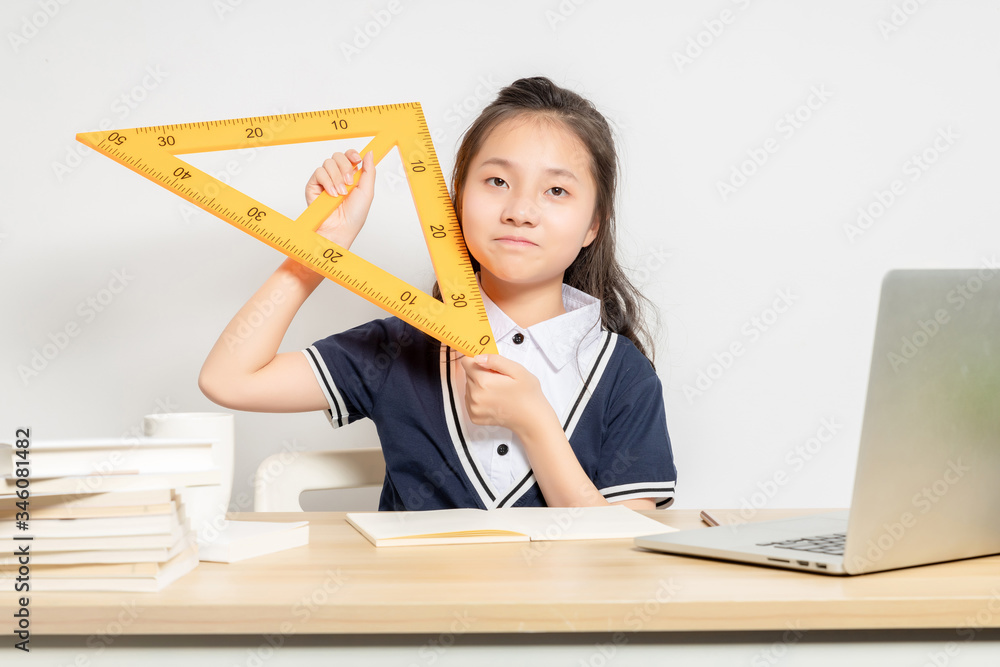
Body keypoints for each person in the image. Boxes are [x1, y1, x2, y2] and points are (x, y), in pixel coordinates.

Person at [199, 77, 676, 511]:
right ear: (455, 201)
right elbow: (230, 379)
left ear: (594, 223)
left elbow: (620, 553)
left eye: (556, 190)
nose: (520, 210)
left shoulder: (623, 375)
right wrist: (315, 251)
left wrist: (535, 423)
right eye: (497, 181)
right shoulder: (399, 348)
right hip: (409, 607)